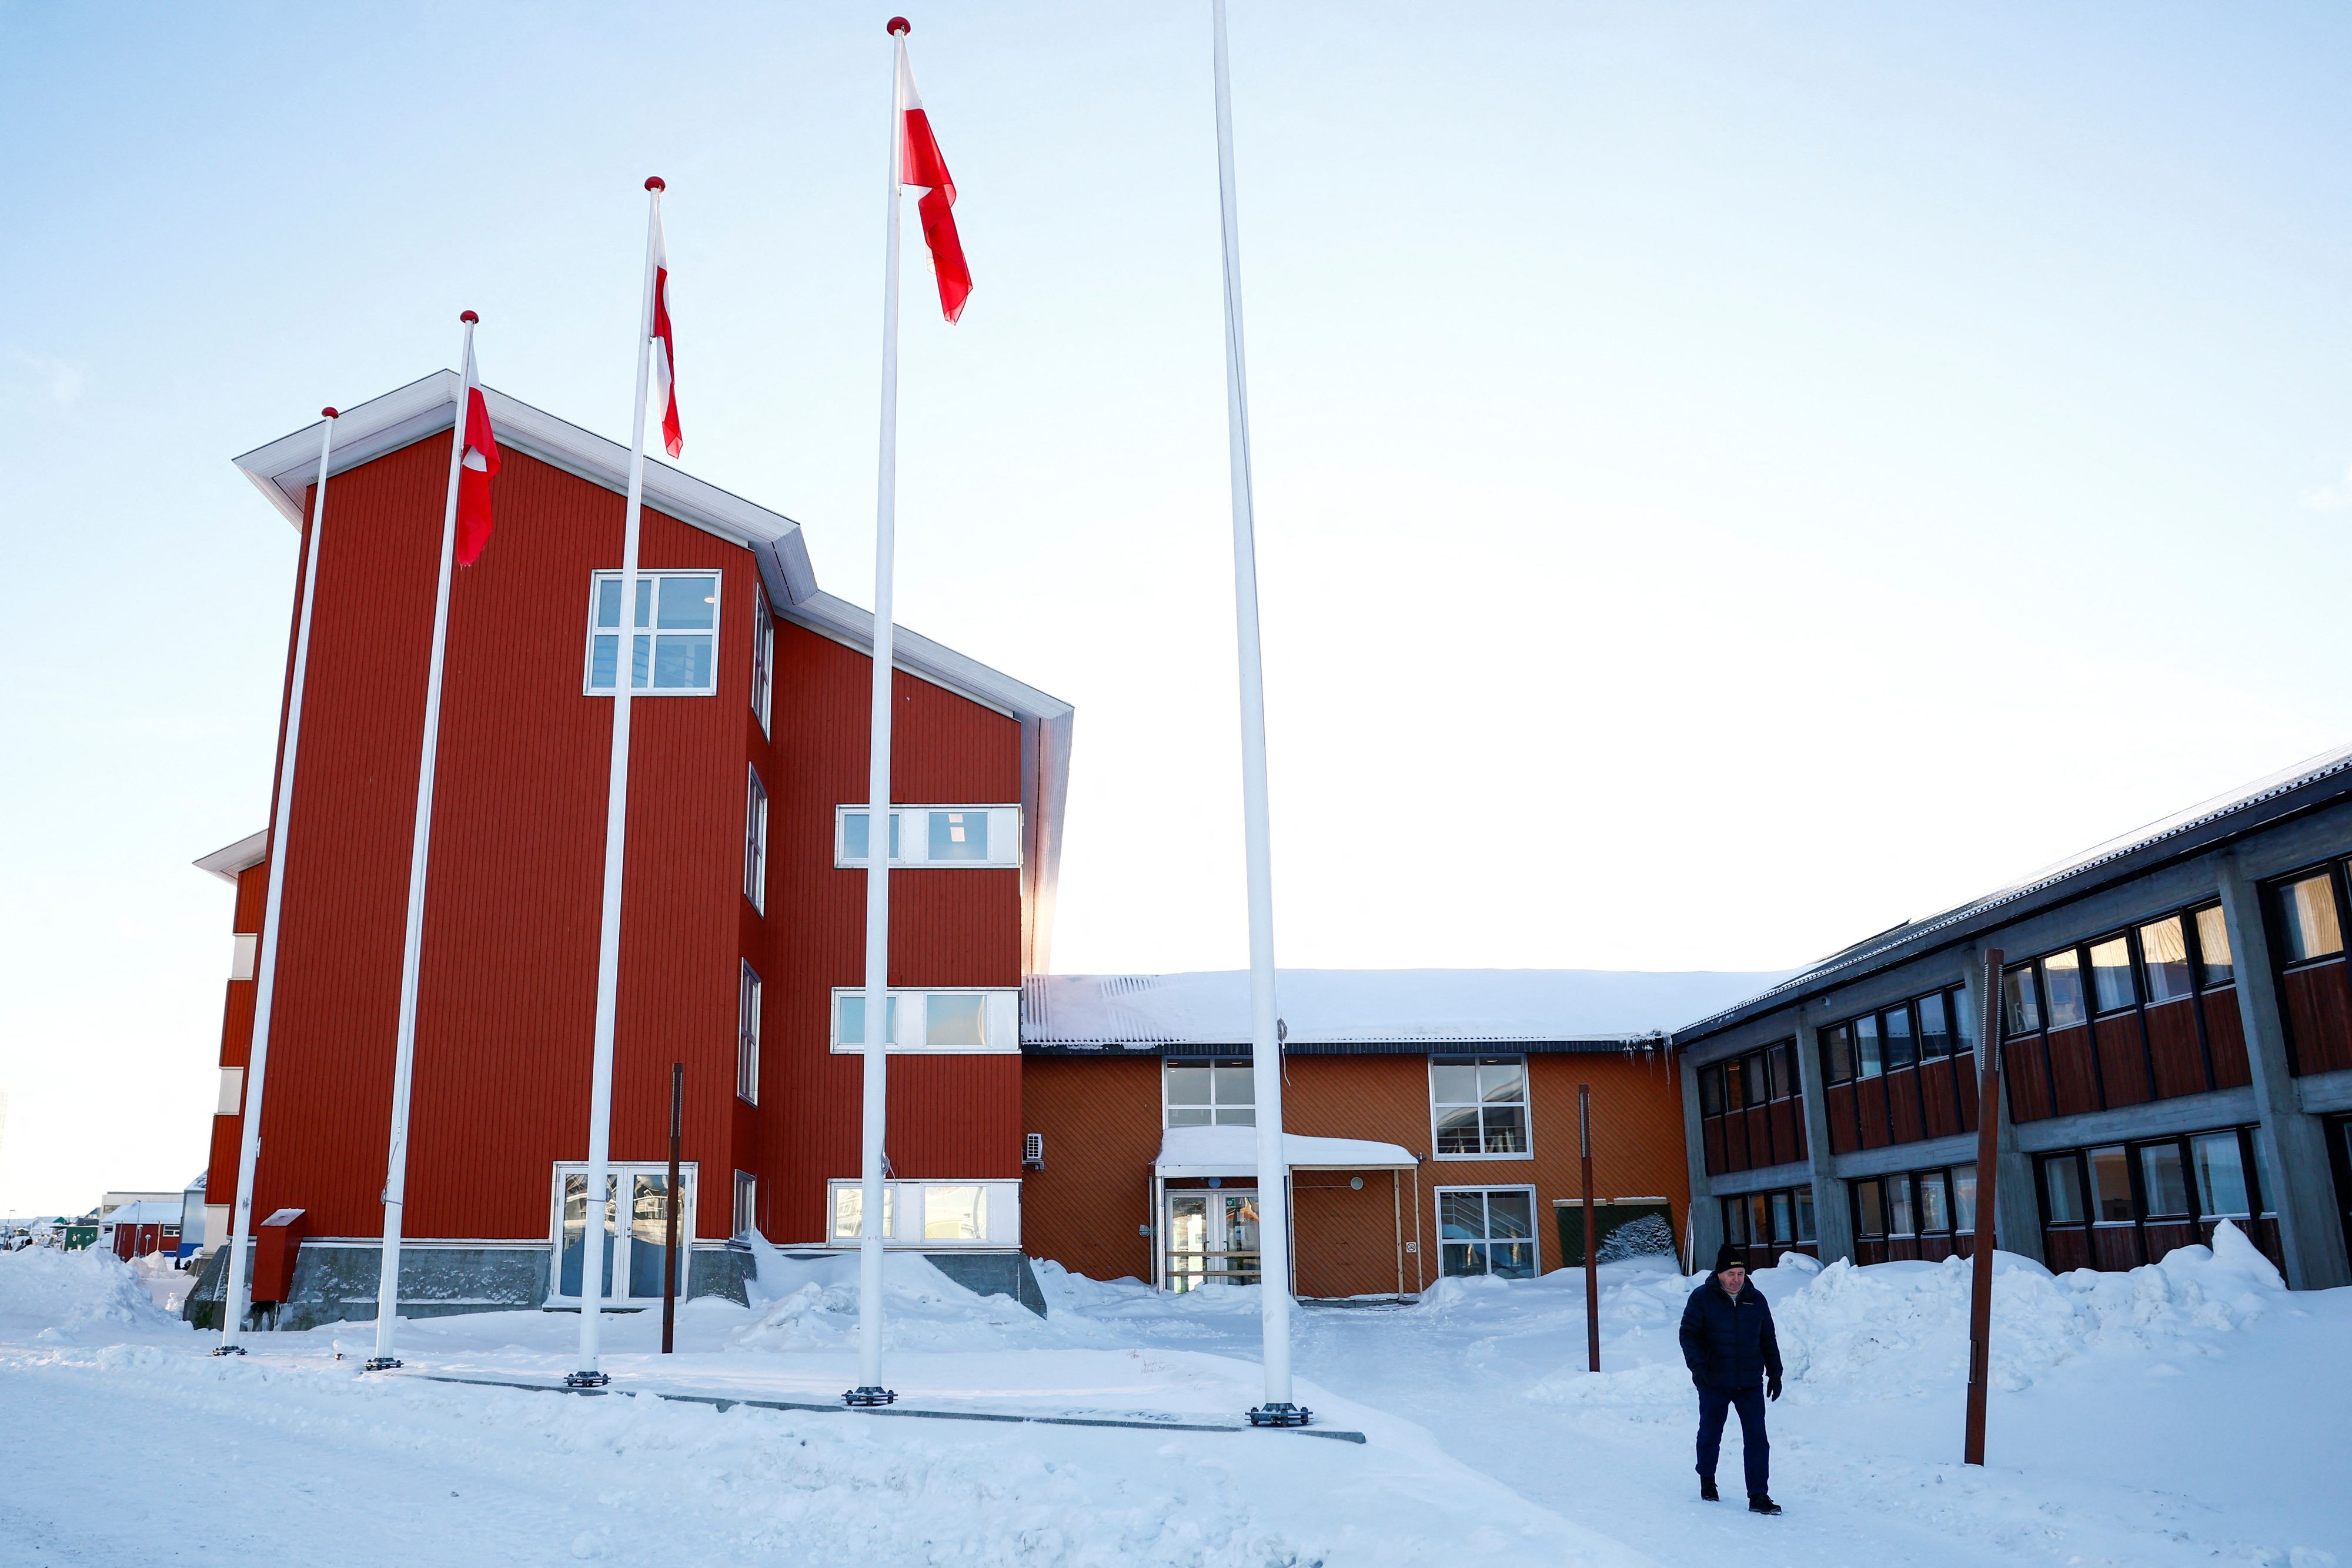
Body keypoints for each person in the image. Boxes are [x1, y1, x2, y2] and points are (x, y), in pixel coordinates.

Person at [1678, 1243, 1783, 1516]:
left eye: (1741, 1274)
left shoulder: (1756, 1299)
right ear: (1719, 1275)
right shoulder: (1702, 1298)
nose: (1737, 1280)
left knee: (1757, 1438)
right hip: (1714, 1380)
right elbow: (1688, 1334)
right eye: (1731, 1274)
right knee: (1711, 1433)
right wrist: (1698, 1367)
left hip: (1749, 1381)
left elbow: (1767, 1338)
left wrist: (1775, 1372)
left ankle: (1759, 1495)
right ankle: (1708, 1479)